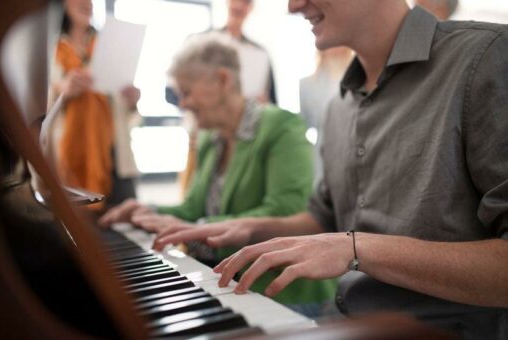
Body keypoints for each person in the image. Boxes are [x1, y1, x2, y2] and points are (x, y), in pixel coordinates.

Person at [139, 1, 508, 338]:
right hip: (341, 321)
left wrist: (356, 248)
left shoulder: (487, 58)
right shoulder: (338, 107)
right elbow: (323, 217)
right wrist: (247, 227)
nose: (292, 5)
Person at [100, 33, 336, 316]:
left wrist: (198, 228)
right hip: (229, 285)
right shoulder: (211, 138)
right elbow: (192, 208)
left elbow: (286, 210)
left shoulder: (283, 127)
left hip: (283, 294)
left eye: (186, 92)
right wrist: (147, 211)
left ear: (223, 80)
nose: (182, 104)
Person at [176, 0, 277, 196]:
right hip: (199, 139)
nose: (239, 5)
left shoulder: (260, 53)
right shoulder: (199, 43)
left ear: (252, 7)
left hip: (245, 143)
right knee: (195, 199)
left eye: (246, 2)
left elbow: (273, 101)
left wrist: (262, 104)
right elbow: (175, 91)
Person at [49, 0, 140, 211]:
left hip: (114, 157)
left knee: (125, 222)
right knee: (79, 233)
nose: (87, 3)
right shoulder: (50, 49)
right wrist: (63, 92)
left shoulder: (109, 45)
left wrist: (132, 100)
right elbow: (35, 112)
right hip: (69, 158)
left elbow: (124, 112)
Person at [299, 47, 353, 184]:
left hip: (353, 153)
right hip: (321, 158)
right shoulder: (306, 85)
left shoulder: (360, 80)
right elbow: (302, 126)